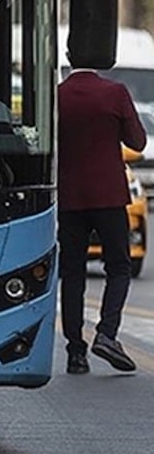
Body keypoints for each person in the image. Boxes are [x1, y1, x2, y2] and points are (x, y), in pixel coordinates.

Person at [58, 64, 148, 374]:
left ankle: (75, 353)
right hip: (109, 197)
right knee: (119, 266)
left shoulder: (57, 96)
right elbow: (137, 142)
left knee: (72, 274)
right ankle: (107, 334)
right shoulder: (115, 93)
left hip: (69, 197)